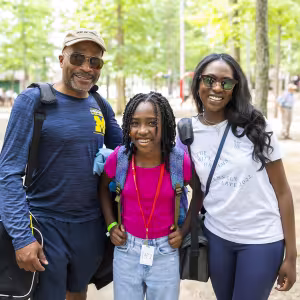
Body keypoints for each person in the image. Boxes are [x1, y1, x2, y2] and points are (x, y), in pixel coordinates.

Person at [0, 29, 122, 300]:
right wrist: (22, 237)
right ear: (61, 59)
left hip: (90, 227)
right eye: (78, 58)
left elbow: (128, 152)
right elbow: (7, 173)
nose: (86, 67)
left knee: (77, 293)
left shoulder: (100, 105)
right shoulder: (34, 102)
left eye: (95, 62)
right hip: (45, 226)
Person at [188, 53, 297, 300]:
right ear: (198, 83)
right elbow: (197, 191)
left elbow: (282, 192)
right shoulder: (188, 132)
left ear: (236, 87)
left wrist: (291, 257)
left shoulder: (256, 126)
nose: (217, 87)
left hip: (261, 240)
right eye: (209, 80)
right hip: (217, 239)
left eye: (226, 82)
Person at [99, 92, 192, 300]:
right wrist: (111, 225)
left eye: (152, 123)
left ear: (165, 124)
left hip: (166, 251)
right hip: (126, 250)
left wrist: (184, 229)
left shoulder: (178, 161)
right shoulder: (121, 158)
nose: (142, 131)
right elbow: (102, 189)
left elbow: (201, 193)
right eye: (135, 123)